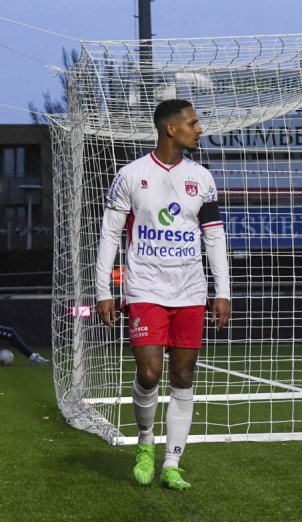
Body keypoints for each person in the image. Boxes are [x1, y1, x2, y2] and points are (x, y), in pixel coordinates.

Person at [95, 99, 231, 490]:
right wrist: (103, 290)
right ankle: (144, 442)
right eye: (193, 123)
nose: (199, 129)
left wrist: (222, 291)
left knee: (183, 374)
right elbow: (110, 234)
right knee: (149, 372)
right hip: (145, 289)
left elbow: (214, 237)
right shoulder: (130, 175)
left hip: (190, 290)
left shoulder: (202, 178)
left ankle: (172, 462)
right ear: (171, 128)